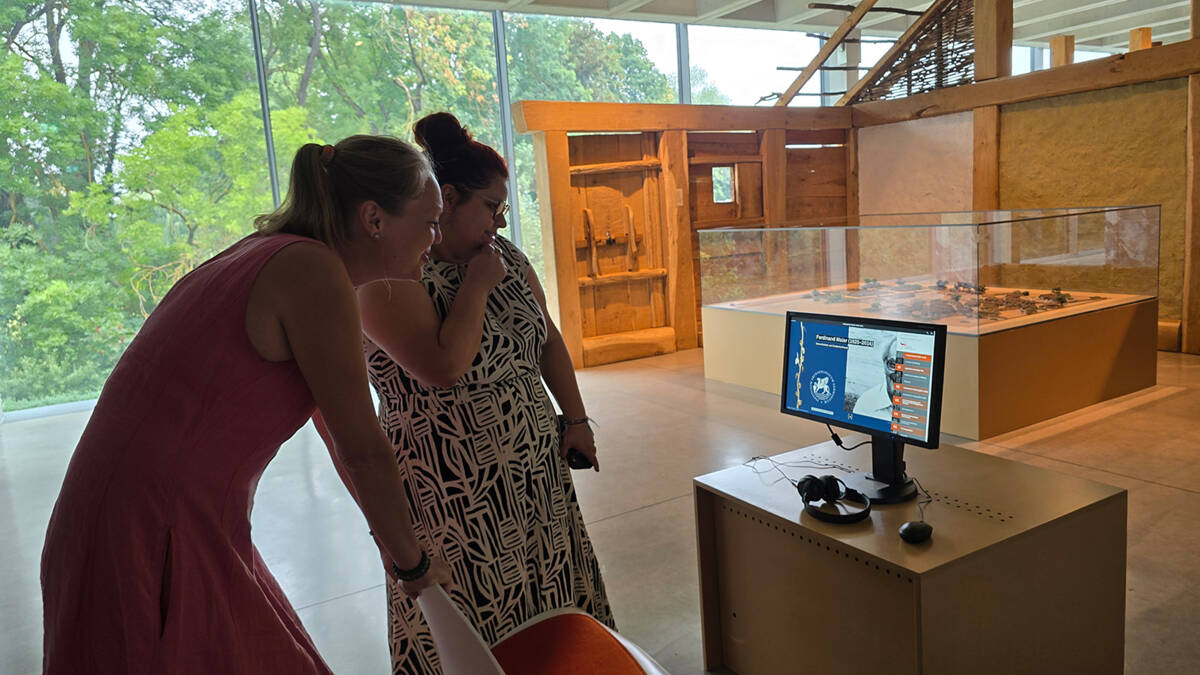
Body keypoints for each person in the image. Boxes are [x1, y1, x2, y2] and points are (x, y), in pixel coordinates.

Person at [40, 136, 453, 674]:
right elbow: (363, 448)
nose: (436, 239)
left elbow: (336, 431)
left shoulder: (272, 252)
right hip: (154, 532)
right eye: (429, 221)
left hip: (140, 519)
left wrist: (396, 544)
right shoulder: (312, 272)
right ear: (373, 217)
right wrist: (414, 563)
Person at [332, 112, 614, 672]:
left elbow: (547, 337)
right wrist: (478, 286)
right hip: (454, 488)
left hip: (533, 471)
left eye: (504, 210)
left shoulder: (504, 255)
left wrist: (575, 419)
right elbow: (444, 367)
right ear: (449, 199)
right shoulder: (389, 276)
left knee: (550, 599)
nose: (498, 222)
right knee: (471, 617)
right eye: (490, 207)